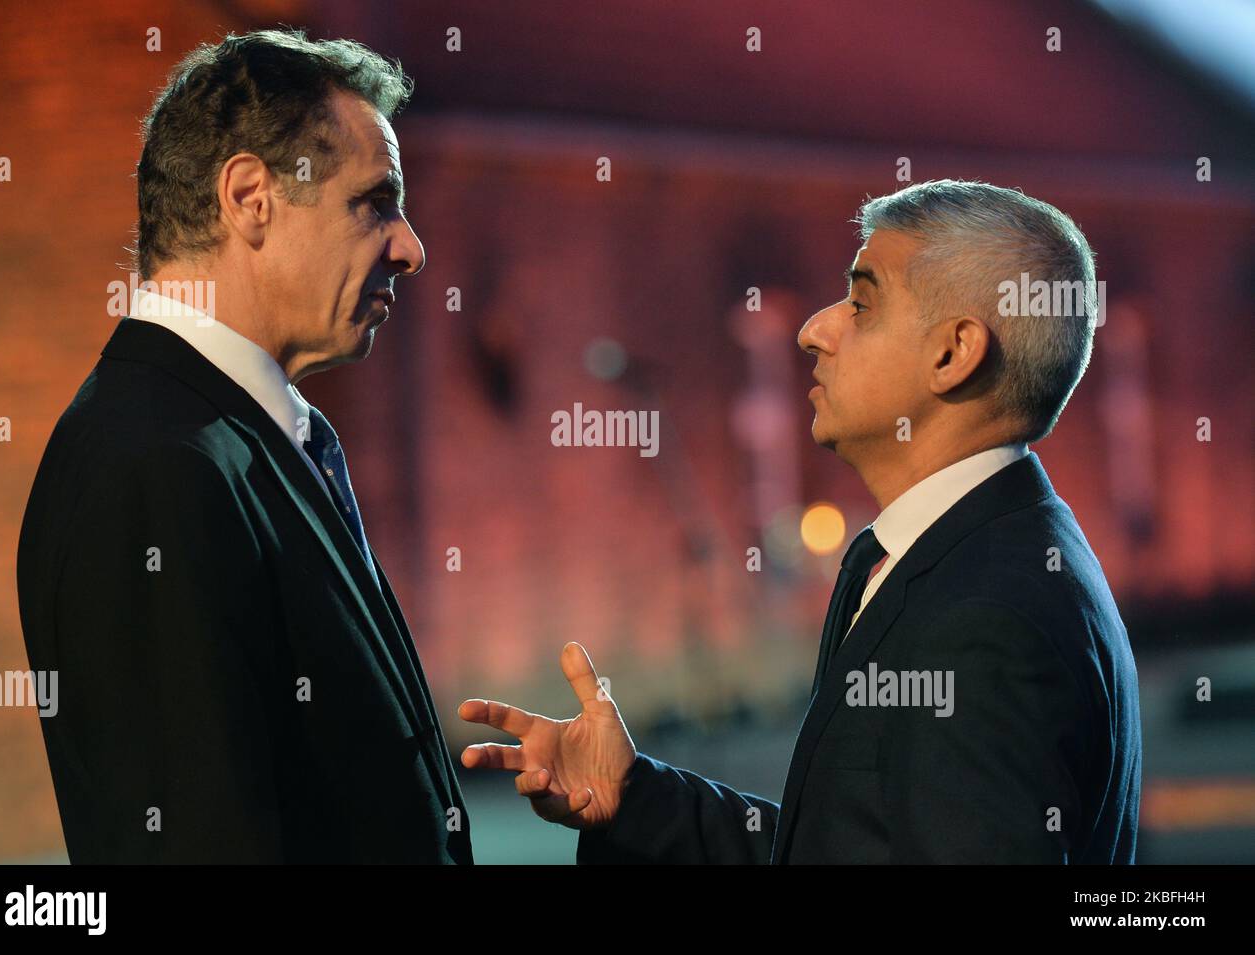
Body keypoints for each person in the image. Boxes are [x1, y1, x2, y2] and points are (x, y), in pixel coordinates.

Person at [460, 180, 1142, 864]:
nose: (813, 329)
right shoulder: (964, 555)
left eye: (862, 303)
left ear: (952, 352)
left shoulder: (987, 619)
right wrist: (635, 797)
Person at [17, 29, 471, 863]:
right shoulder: (156, 465)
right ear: (251, 196)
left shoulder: (230, 437)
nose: (411, 249)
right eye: (375, 202)